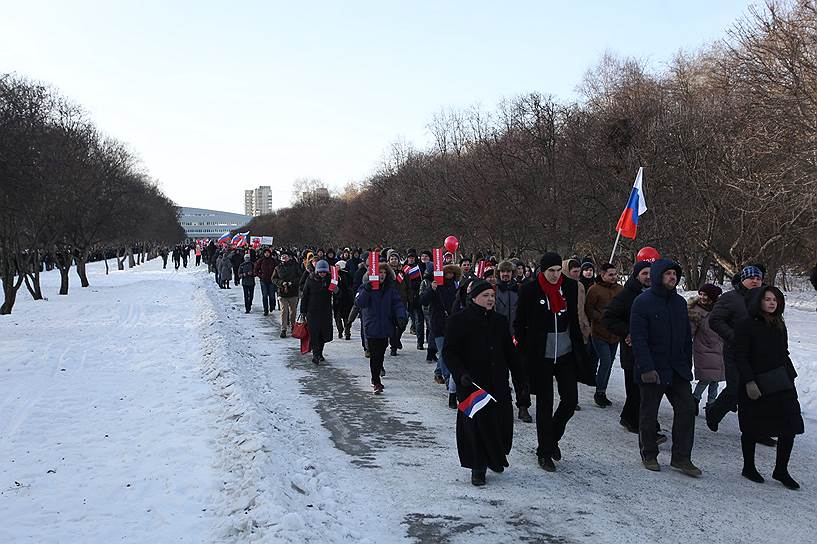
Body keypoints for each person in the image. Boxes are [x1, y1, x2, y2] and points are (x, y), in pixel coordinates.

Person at [444, 280, 527, 486]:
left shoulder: (499, 321)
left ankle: (495, 456)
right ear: (474, 298)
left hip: (497, 381)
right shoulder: (458, 320)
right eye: (485, 296)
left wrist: (520, 376)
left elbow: (509, 351)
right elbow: (449, 352)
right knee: (475, 427)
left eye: (492, 295)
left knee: (501, 423)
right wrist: (460, 373)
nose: (490, 299)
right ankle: (477, 467)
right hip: (471, 385)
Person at [514, 252, 587, 472]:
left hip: (565, 354)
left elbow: (574, 318)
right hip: (541, 356)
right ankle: (544, 452)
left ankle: (552, 438)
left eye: (557, 270)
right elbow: (520, 323)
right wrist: (525, 351)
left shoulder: (571, 288)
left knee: (569, 401)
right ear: (542, 271)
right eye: (550, 271)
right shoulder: (529, 290)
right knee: (545, 405)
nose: (555, 275)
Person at [630, 259, 700, 477]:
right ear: (658, 275)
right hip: (653, 368)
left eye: (675, 274)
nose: (672, 277)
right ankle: (649, 453)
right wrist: (646, 367)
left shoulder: (680, 303)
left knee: (687, 410)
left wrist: (687, 363)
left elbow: (686, 336)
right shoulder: (643, 302)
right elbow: (639, 338)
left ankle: (681, 457)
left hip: (677, 368)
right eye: (668, 273)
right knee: (649, 413)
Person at [734, 286, 804, 489]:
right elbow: (739, 355)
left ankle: (781, 469)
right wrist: (749, 381)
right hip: (755, 384)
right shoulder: (746, 325)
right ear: (758, 301)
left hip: (781, 383)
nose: (772, 302)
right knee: (752, 427)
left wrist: (790, 375)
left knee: (789, 426)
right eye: (767, 299)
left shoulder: (779, 324)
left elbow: (784, 352)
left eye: (775, 299)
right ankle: (749, 467)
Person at [706, 265, 765, 435]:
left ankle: (758, 430)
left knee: (758, 391)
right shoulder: (730, 298)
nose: (755, 281)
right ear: (742, 280)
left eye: (758, 278)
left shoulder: (765, 298)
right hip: (735, 351)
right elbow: (715, 320)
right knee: (735, 388)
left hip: (758, 353)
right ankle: (714, 412)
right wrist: (735, 337)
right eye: (751, 278)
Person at [602, 260, 655, 434]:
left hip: (651, 349)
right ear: (636, 275)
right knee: (635, 389)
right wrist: (627, 332)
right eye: (644, 274)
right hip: (632, 350)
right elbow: (608, 317)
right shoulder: (627, 295)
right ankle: (636, 421)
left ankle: (635, 418)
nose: (648, 277)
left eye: (650, 273)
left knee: (647, 390)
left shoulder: (657, 293)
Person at [355, 262, 408, 394]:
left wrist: (401, 316)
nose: (382, 275)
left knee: (381, 353)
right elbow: (359, 302)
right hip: (372, 326)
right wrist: (367, 289)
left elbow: (397, 304)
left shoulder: (390, 289)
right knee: (375, 354)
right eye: (380, 272)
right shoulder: (365, 287)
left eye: (384, 272)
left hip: (386, 326)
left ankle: (377, 374)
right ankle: (376, 380)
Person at [420, 263, 461, 408]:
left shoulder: (457, 287)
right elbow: (423, 301)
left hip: (453, 324)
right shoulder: (435, 286)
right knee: (444, 352)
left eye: (451, 273)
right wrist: (432, 289)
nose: (449, 275)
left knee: (447, 352)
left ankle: (439, 371)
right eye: (447, 273)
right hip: (438, 324)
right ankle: (449, 379)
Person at [495, 260, 531, 423]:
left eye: (508, 272)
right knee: (499, 375)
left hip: (518, 338)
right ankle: (501, 406)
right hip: (498, 339)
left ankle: (523, 406)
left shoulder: (521, 289)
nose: (505, 274)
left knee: (521, 375)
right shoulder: (493, 290)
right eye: (503, 272)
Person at [585, 263, 623, 407]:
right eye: (610, 274)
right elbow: (589, 309)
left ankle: (603, 390)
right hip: (599, 333)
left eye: (615, 274)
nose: (614, 277)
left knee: (610, 363)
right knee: (605, 361)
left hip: (615, 334)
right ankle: (599, 392)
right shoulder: (594, 290)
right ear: (602, 275)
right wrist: (601, 317)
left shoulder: (620, 289)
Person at [688, 284, 725, 413]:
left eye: (706, 295)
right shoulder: (695, 311)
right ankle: (695, 398)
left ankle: (711, 404)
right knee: (706, 378)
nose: (702, 297)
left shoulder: (721, 309)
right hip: (704, 348)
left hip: (720, 348)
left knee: (716, 379)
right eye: (701, 294)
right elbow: (690, 331)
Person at [300, 259, 334, 364]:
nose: (322, 274)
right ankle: (315, 354)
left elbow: (338, 294)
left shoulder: (330, 280)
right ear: (317, 271)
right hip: (312, 311)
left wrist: (336, 290)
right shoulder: (310, 280)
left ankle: (320, 352)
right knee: (314, 333)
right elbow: (305, 295)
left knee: (323, 334)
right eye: (320, 272)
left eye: (324, 272)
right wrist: (303, 311)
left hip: (325, 311)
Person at [273, 250, 301, 338]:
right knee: (284, 311)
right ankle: (283, 329)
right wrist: (282, 283)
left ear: (289, 257)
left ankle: (293, 326)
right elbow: (274, 279)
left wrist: (292, 283)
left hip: (293, 292)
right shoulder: (277, 268)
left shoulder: (295, 266)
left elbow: (300, 277)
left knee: (293, 311)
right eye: (282, 256)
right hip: (282, 292)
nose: (284, 257)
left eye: (286, 256)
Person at [333, 260, 354, 340]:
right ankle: (340, 331)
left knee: (346, 317)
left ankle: (347, 332)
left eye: (338, 266)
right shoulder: (334, 275)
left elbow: (348, 286)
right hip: (337, 300)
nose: (336, 267)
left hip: (345, 300)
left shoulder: (346, 275)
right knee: (337, 317)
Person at [254, 248, 279, 316]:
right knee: (264, 295)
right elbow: (256, 270)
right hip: (263, 281)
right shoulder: (261, 261)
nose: (267, 254)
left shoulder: (273, 261)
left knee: (271, 296)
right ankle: (265, 309)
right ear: (264, 253)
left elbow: (277, 269)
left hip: (271, 281)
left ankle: (272, 306)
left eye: (268, 253)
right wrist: (260, 276)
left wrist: (275, 277)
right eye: (266, 253)